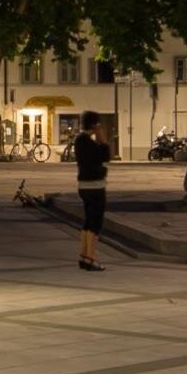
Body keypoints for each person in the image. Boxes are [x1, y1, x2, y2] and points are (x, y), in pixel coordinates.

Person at [73, 111, 110, 271]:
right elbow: (106, 155)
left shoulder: (79, 141)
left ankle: (83, 256)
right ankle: (90, 258)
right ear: (95, 125)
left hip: (83, 186)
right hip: (95, 186)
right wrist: (101, 137)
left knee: (88, 221)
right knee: (95, 223)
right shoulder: (89, 142)